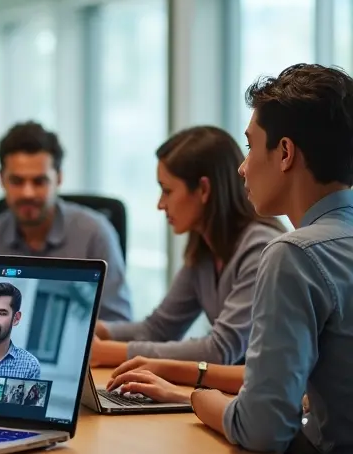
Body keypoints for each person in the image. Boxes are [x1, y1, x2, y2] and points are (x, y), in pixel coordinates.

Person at [106, 63, 353, 454]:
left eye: (251, 146)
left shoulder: (292, 255)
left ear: (285, 153)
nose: (242, 167)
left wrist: (194, 397)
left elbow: (263, 430)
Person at [90, 126, 284, 368]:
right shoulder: (204, 250)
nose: (160, 204)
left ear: (203, 189)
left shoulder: (260, 249)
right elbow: (158, 329)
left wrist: (107, 352)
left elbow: (219, 350)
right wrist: (95, 330)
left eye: (167, 191)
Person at [0, 121, 132, 322]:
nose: (28, 193)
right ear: (1, 179)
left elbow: (118, 322)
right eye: (17, 181)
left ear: (59, 178)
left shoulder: (95, 234)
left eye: (39, 181)